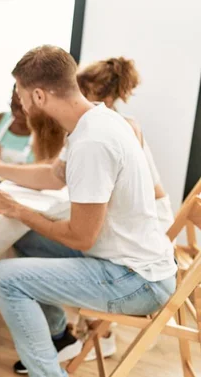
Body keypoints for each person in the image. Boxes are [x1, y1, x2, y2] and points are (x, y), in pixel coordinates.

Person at [0, 45, 176, 377]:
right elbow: (53, 176)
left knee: (4, 278)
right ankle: (59, 337)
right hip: (135, 261)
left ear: (38, 95)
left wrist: (18, 209)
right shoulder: (93, 119)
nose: (18, 102)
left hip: (136, 280)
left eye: (20, 94)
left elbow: (80, 237)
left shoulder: (93, 142)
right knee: (27, 239)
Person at [75, 56, 174, 360]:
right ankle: (91, 329)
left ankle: (100, 333)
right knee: (80, 233)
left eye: (82, 93)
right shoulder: (111, 126)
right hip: (147, 213)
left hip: (151, 219)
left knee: (84, 240)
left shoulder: (118, 128)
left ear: (99, 95)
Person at [78, 57, 173, 231]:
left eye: (84, 93)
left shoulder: (124, 128)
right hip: (137, 219)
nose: (78, 99)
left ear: (105, 100)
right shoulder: (106, 126)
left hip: (152, 225)